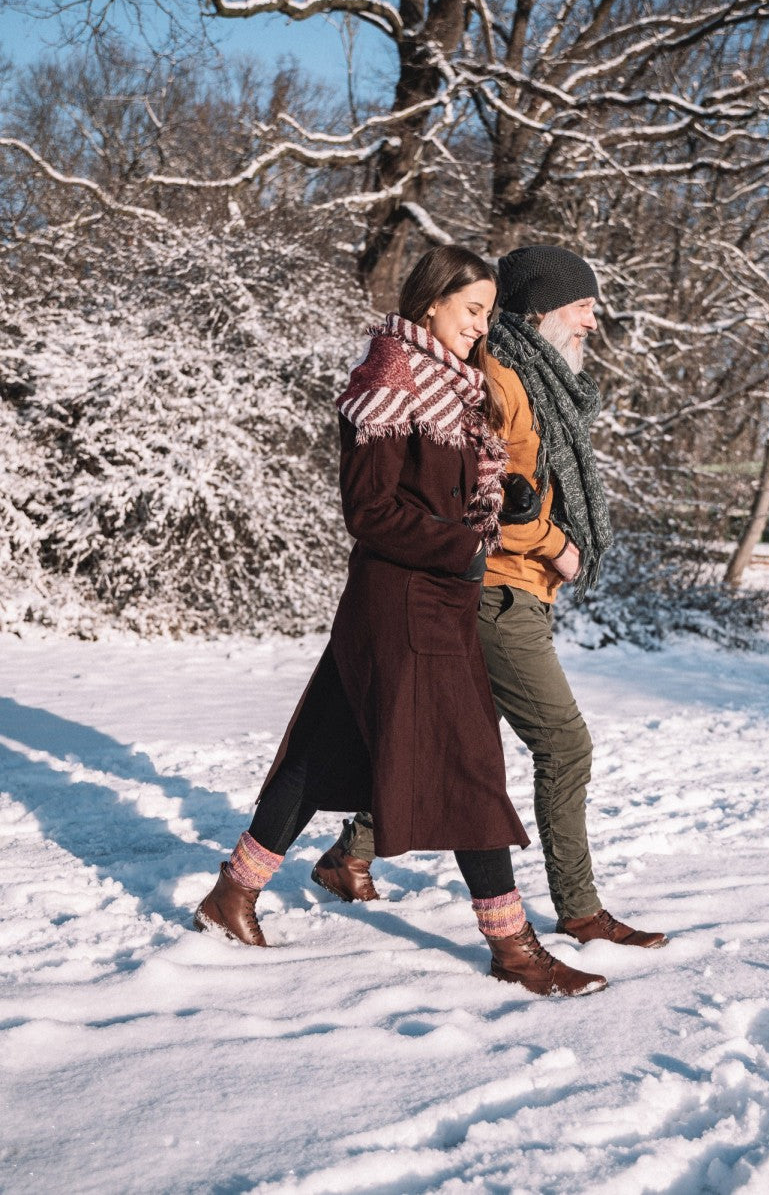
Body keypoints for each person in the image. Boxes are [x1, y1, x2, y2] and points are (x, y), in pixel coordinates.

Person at [193, 245, 608, 997]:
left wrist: (504, 502)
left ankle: (232, 893)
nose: (481, 325)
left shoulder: (456, 386)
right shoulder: (390, 377)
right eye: (472, 309)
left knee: (320, 755)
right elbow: (371, 509)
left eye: (487, 312)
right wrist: (466, 545)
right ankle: (514, 946)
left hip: (425, 600)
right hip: (406, 605)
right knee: (474, 768)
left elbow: (442, 486)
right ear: (430, 303)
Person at [313, 245, 668, 951]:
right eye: (583, 308)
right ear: (542, 310)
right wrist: (552, 542)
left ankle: (349, 851)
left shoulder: (541, 382)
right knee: (564, 745)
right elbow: (483, 496)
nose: (594, 323)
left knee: (446, 737)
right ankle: (577, 908)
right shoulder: (499, 378)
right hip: (496, 590)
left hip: (514, 592)